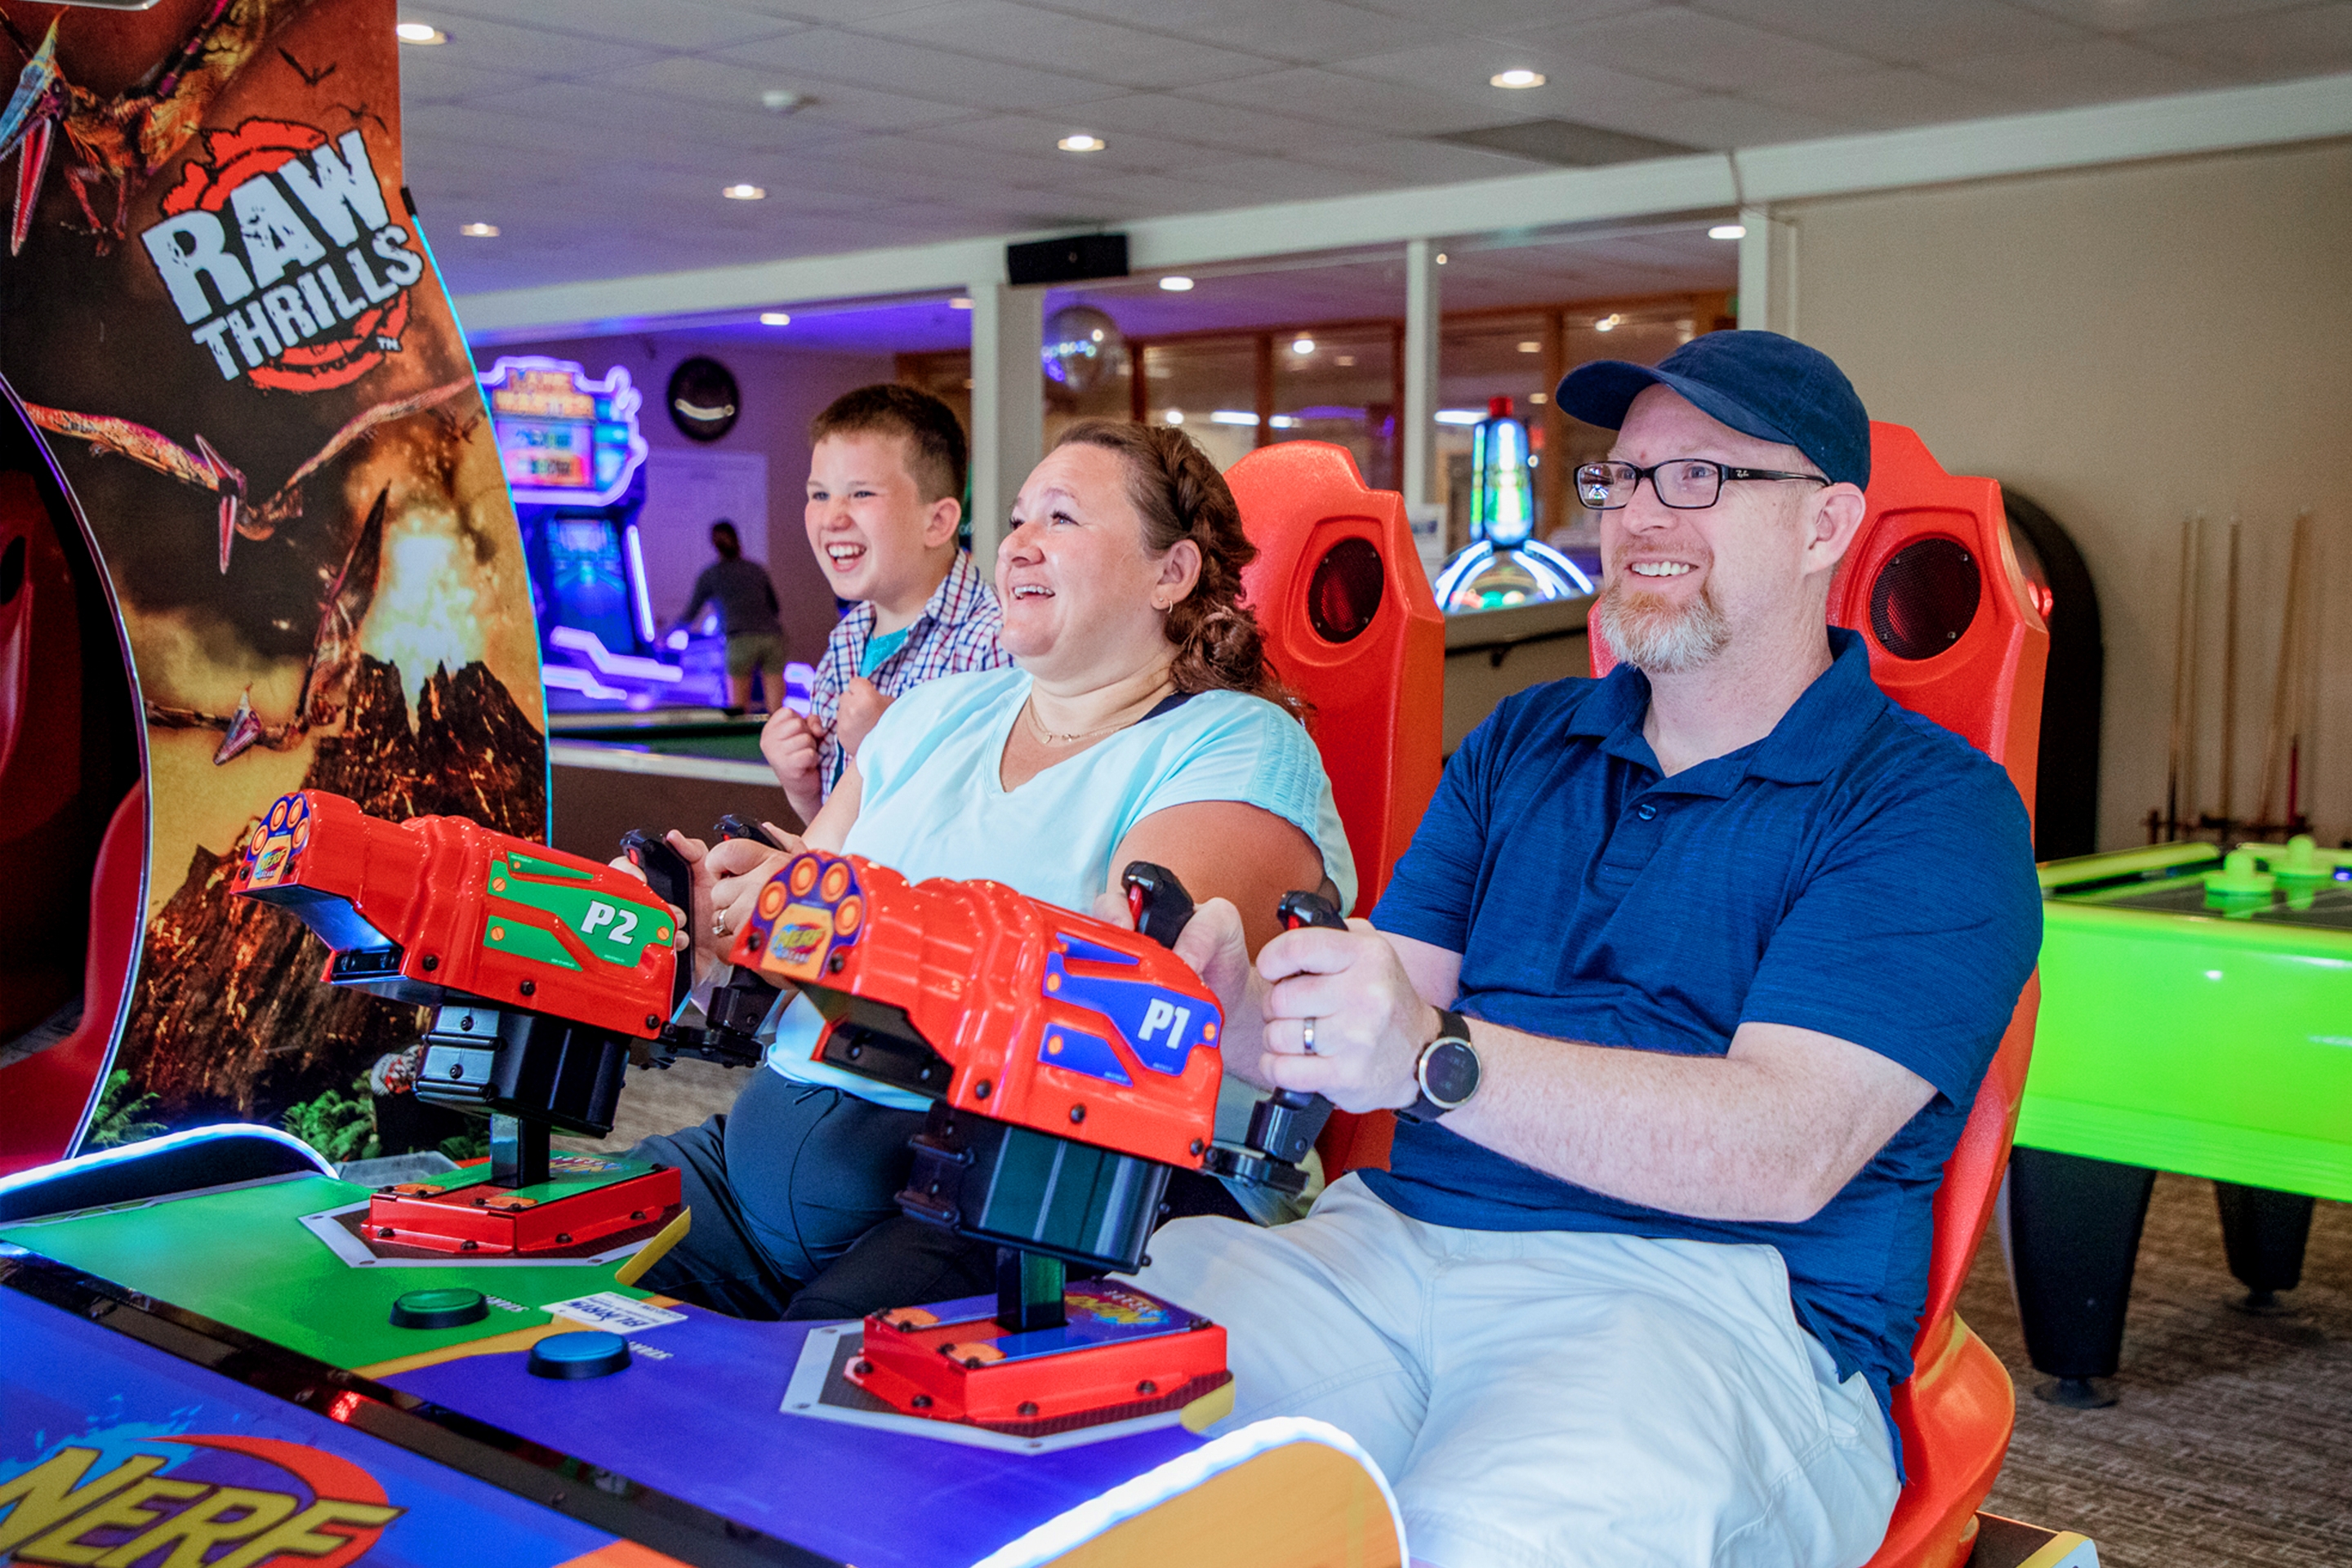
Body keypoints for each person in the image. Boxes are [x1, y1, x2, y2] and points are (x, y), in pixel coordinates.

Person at [1120, 332, 2043, 1568]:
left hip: (1713, 1310)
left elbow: (1784, 1152)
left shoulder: (1931, 807)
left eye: (1702, 477)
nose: (1642, 517)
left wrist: (1438, 1059)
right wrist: (1254, 1022)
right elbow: (1388, 1015)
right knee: (1100, 1442)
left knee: (1481, 1542)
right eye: (1623, 479)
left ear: (1827, 523)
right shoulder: (1522, 743)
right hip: (1393, 1244)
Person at [628, 419, 1356, 1321]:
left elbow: (1120, 992)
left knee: (815, 1405)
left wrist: (837, 914)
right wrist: (726, 920)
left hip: (1039, 1184)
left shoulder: (1237, 743)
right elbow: (809, 924)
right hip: (757, 1162)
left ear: (1172, 573)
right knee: (517, 1266)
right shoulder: (933, 713)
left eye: (1061, 517)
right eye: (1015, 518)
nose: (1017, 543)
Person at [761, 385, 1009, 827]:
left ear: (937, 522)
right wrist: (801, 788)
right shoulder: (847, 639)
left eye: (861, 495)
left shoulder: (995, 643)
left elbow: (994, 827)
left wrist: (892, 742)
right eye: (819, 495)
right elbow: (844, 840)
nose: (833, 516)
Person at [676, 520, 786, 713]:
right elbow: (775, 608)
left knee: (738, 711)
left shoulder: (711, 574)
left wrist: (668, 632)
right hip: (772, 638)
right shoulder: (757, 570)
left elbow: (690, 614)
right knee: (776, 710)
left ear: (714, 545)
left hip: (739, 640)